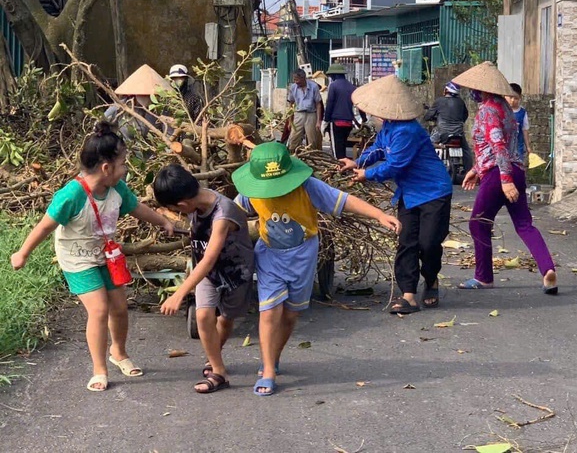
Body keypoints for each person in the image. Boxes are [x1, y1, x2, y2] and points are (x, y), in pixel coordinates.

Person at [10, 121, 175, 392]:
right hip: (77, 259)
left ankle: (118, 353)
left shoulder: (117, 189)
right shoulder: (72, 194)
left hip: (108, 257)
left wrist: (163, 222)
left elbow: (137, 209)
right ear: (106, 168)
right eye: (123, 163)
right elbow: (45, 225)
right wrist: (23, 253)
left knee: (120, 308)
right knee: (99, 309)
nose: (125, 169)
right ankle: (100, 369)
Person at [231, 142, 401, 396]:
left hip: (303, 256)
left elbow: (344, 201)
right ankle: (268, 371)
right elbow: (229, 214)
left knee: (290, 315)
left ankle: (273, 356)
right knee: (269, 312)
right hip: (269, 256)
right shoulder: (251, 191)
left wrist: (378, 215)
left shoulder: (306, 186)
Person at [340, 74, 453, 314]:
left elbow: (395, 166)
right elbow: (379, 149)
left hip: (434, 192)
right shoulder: (388, 127)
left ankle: (430, 278)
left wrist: (366, 175)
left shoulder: (408, 131)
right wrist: (357, 162)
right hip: (409, 194)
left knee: (429, 244)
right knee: (406, 242)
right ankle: (408, 295)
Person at [451, 62, 558, 294]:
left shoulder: (488, 110)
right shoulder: (506, 109)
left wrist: (504, 178)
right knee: (524, 224)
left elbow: (498, 146)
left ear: (483, 90)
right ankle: (547, 268)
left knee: (478, 223)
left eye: (474, 89)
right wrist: (476, 169)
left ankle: (483, 277)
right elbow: (493, 147)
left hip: (500, 173)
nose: (472, 93)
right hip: (515, 169)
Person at [152, 164, 254, 394]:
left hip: (235, 272)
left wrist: (179, 293)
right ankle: (219, 372)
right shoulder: (193, 202)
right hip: (207, 273)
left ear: (183, 204)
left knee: (226, 321)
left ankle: (214, 356)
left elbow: (209, 258)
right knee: (203, 314)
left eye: (174, 210)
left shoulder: (223, 213)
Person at [105, 64, 172, 141]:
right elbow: (101, 123)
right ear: (135, 93)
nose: (148, 97)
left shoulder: (161, 109)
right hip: (126, 150)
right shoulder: (120, 106)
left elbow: (169, 135)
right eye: (144, 95)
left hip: (150, 150)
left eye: (150, 95)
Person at [424, 81, 473, 170]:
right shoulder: (460, 102)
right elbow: (465, 115)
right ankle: (469, 171)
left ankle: (429, 167)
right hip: (459, 133)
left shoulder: (439, 101)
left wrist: (428, 117)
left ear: (446, 90)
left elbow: (428, 116)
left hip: (443, 132)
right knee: (466, 151)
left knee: (427, 143)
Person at [322, 63, 361, 160]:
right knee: (342, 146)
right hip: (348, 123)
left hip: (336, 122)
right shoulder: (352, 87)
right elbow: (359, 104)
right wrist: (363, 120)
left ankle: (339, 168)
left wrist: (326, 120)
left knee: (336, 151)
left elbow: (330, 104)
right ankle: (344, 166)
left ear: (334, 75)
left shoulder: (333, 86)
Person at [287, 68, 324, 151]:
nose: (296, 81)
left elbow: (318, 104)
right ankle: (293, 155)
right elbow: (290, 104)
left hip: (311, 114)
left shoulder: (314, 86)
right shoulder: (293, 87)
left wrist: (318, 121)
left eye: (297, 79)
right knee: (294, 138)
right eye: (294, 79)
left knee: (312, 140)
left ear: (303, 78)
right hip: (298, 114)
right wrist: (290, 121)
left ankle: (312, 159)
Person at [507, 83, 532, 161]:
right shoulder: (502, 111)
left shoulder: (523, 113)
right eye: (510, 97)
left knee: (517, 167)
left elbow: (525, 130)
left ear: (520, 98)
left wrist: (528, 146)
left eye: (516, 98)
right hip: (504, 147)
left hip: (518, 148)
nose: (513, 100)